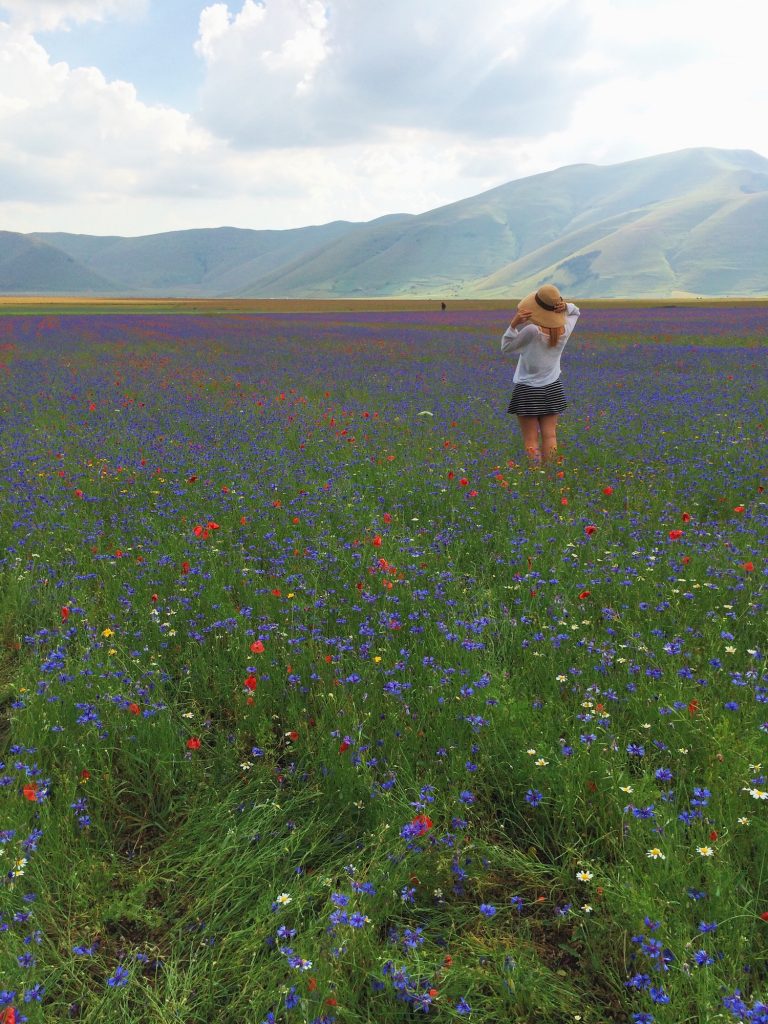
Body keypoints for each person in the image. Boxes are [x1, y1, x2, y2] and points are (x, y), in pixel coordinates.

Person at [500, 283, 580, 464]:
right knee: (550, 436)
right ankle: (550, 475)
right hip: (553, 387)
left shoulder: (532, 331)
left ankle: (536, 477)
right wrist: (566, 306)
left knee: (531, 440)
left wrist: (513, 324)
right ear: (557, 308)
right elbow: (576, 312)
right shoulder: (565, 330)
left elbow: (506, 347)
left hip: (527, 390)